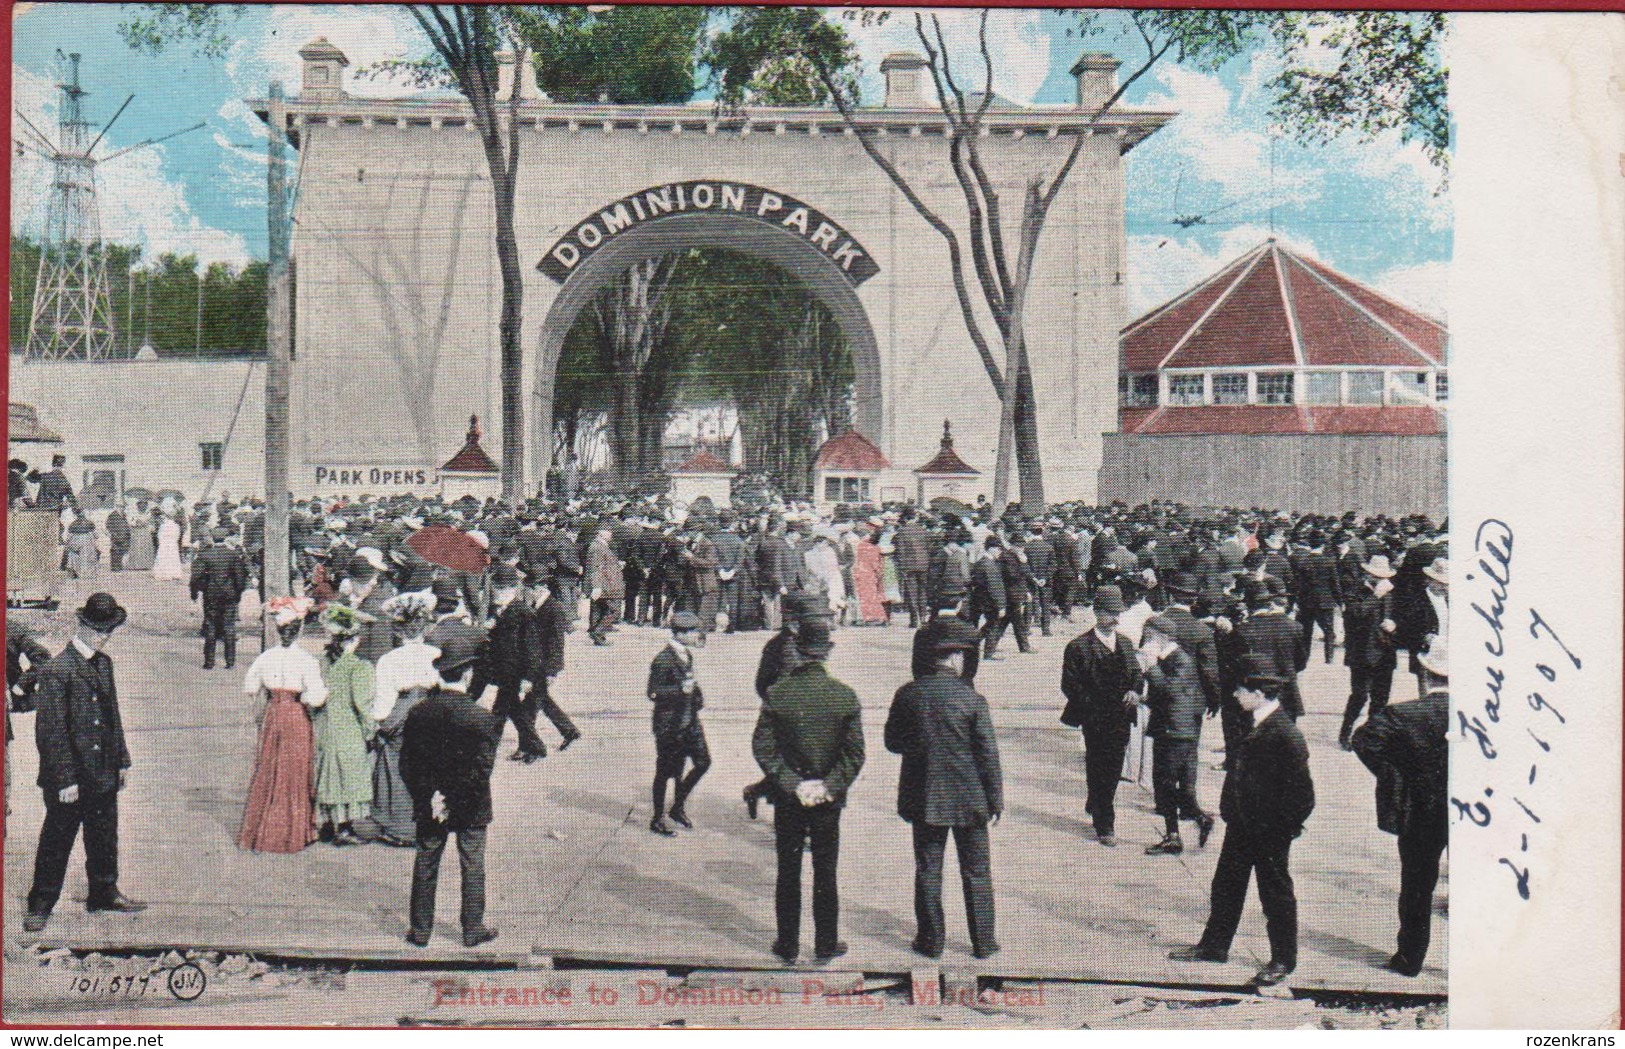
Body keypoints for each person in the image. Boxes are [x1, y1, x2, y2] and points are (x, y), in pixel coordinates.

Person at [1169, 672, 1315, 988]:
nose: (1235, 695)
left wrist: (1284, 828)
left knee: (1275, 895)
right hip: (1242, 824)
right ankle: (1214, 947)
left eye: (1240, 689)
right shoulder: (1252, 721)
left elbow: (1303, 794)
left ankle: (1282, 960)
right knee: (1226, 886)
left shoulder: (1285, 733)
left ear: (1260, 693)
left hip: (1270, 830)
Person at [24, 594, 146, 931]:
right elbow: (50, 732)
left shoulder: (104, 664)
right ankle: (41, 903)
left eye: (108, 630)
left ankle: (104, 892)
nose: (103, 635)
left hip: (103, 770)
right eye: (97, 629)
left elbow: (112, 717)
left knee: (104, 836)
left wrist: (121, 761)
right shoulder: (57, 669)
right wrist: (65, 780)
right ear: (81, 625)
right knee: (57, 839)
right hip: (70, 777)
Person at [752, 617, 865, 963]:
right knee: (825, 871)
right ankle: (826, 944)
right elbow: (855, 755)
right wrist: (828, 786)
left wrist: (791, 783)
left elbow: (763, 747)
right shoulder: (844, 696)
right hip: (827, 799)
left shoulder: (778, 694)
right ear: (826, 653)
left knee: (788, 871)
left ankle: (787, 944)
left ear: (799, 652)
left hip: (790, 797)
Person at [885, 630, 1003, 960]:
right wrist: (995, 799)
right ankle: (983, 942)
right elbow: (987, 755)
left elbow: (892, 743)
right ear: (955, 658)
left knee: (928, 869)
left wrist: (921, 746)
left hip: (924, 797)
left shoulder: (908, 694)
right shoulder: (973, 699)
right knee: (977, 871)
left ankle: (931, 941)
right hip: (970, 798)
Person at [401, 619, 502, 949]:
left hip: (429, 803)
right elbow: (481, 770)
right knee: (472, 863)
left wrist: (430, 795)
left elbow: (408, 765)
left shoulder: (418, 713)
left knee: (426, 860)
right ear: (469, 674)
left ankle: (420, 931)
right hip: (470, 803)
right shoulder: (483, 718)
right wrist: (452, 797)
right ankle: (472, 929)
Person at [1351, 635, 1448, 977]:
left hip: (1418, 811)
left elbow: (1361, 740)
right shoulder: (1483, 717)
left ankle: (1409, 959)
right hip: (1471, 813)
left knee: (1417, 888)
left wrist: (1395, 775)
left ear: (1425, 675)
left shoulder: (1403, 714)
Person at [237, 596, 327, 854]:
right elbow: (316, 696)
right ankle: (293, 832)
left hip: (273, 713)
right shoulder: (307, 661)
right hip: (296, 715)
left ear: (277, 630)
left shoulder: (266, 658)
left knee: (269, 767)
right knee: (295, 771)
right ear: (299, 629)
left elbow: (251, 687)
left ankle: (262, 831)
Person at [1059, 585, 1142, 846]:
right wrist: (1094, 704)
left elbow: (1137, 674)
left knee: (1114, 767)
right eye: (1109, 613)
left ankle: (1096, 800)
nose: (1115, 619)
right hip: (1094, 718)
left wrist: (1134, 690)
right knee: (1098, 765)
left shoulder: (1126, 643)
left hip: (1121, 717)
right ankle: (1105, 823)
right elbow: (1069, 685)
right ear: (1096, 612)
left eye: (1118, 613)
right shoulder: (1079, 647)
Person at [743, 592, 829, 819]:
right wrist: (779, 702)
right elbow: (762, 684)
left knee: (802, 765)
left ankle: (756, 791)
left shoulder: (809, 643)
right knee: (790, 766)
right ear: (794, 618)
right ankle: (799, 823)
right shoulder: (776, 646)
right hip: (784, 717)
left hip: (807, 715)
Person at [1135, 616, 1214, 856]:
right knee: (1170, 784)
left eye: (1149, 636)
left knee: (1167, 784)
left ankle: (1177, 834)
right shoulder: (1171, 658)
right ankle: (1192, 823)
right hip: (1174, 729)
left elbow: (1169, 690)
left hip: (1176, 732)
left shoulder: (1180, 660)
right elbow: (1171, 693)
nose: (1145, 641)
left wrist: (1150, 666)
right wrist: (1144, 698)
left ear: (1162, 636)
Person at [368, 592, 442, 846]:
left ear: (398, 631)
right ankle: (425, 820)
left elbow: (384, 697)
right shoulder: (435, 652)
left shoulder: (389, 659)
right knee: (426, 764)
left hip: (403, 709)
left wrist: (379, 721)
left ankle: (401, 826)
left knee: (395, 763)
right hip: (430, 709)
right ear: (423, 628)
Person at [315, 604, 377, 846]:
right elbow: (363, 704)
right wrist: (370, 730)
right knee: (348, 775)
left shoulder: (323, 663)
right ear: (355, 638)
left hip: (324, 726)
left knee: (328, 772)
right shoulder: (359, 667)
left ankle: (328, 824)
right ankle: (345, 827)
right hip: (348, 727)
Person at [647, 612, 711, 836]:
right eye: (693, 632)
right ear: (681, 633)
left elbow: (690, 682)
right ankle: (657, 817)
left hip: (689, 721)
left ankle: (677, 806)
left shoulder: (686, 654)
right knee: (666, 772)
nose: (697, 636)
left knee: (703, 762)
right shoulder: (663, 659)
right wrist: (679, 691)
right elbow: (653, 692)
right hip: (669, 725)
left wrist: (696, 695)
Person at [1339, 554, 1399, 749]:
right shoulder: (1355, 591)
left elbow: (1402, 618)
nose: (1381, 580)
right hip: (1362, 654)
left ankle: (1372, 735)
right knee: (1359, 696)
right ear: (1368, 574)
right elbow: (1355, 615)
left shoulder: (1392, 593)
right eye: (1376, 576)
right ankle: (1345, 733)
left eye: (1384, 577)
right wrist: (1375, 596)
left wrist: (1395, 626)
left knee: (1380, 698)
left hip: (1385, 653)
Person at [190, 526, 251, 670]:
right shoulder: (233, 555)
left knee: (210, 625)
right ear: (225, 538)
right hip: (229, 595)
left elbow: (195, 577)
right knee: (229, 626)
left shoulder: (205, 555)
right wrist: (238, 593)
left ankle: (209, 662)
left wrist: (194, 593)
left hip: (210, 594)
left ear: (212, 537)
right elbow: (240, 578)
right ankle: (230, 661)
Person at [968, 538, 1008, 660]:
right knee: (993, 625)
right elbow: (994, 587)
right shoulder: (989, 565)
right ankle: (988, 653)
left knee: (990, 624)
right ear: (991, 548)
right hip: (989, 601)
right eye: (998, 549)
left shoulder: (980, 562)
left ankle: (973, 643)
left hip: (980, 599)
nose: (999, 552)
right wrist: (1001, 606)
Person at [893, 508, 933, 628]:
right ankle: (923, 617)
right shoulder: (923, 530)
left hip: (909, 565)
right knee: (922, 592)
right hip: (923, 564)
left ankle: (914, 618)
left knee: (911, 592)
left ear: (905, 518)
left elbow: (900, 551)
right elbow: (928, 548)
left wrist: (902, 567)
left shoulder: (902, 532)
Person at [586, 524, 622, 645]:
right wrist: (597, 587)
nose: (611, 534)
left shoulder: (599, 545)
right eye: (608, 531)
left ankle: (596, 634)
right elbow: (596, 568)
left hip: (603, 583)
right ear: (601, 533)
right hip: (604, 585)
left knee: (599, 609)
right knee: (614, 611)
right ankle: (598, 632)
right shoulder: (598, 547)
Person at [152, 508, 186, 582]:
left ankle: (164, 574)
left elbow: (159, 535)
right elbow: (178, 535)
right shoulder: (176, 526)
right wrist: (174, 541)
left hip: (164, 543)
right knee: (173, 557)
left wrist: (161, 542)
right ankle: (174, 573)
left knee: (164, 557)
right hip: (173, 543)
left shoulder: (163, 525)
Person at [125, 503, 156, 573]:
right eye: (140, 506)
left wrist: (147, 524)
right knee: (137, 548)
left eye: (144, 506)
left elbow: (153, 527)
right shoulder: (134, 514)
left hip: (145, 534)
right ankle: (136, 565)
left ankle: (145, 565)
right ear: (137, 507)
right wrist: (136, 522)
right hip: (136, 533)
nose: (142, 507)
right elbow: (130, 523)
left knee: (145, 548)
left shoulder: (149, 514)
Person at [105, 504, 131, 573]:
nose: (122, 508)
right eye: (121, 507)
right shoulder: (113, 515)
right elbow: (108, 525)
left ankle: (119, 566)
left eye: (123, 507)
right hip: (116, 535)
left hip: (124, 536)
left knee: (121, 551)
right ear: (117, 507)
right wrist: (113, 533)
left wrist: (128, 532)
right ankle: (114, 567)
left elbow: (126, 524)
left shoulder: (124, 515)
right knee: (115, 551)